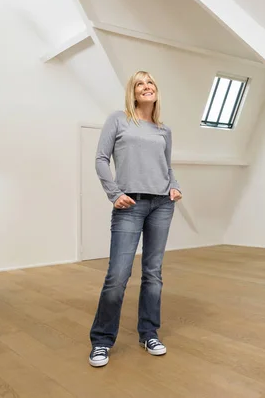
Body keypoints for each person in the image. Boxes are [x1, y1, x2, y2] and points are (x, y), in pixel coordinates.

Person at [88, 71, 182, 368]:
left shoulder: (163, 130)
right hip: (129, 204)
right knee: (117, 276)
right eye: (139, 84)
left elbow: (166, 165)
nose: (146, 87)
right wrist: (113, 193)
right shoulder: (118, 119)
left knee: (153, 273)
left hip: (162, 204)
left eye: (150, 83)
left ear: (156, 91)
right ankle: (102, 340)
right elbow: (101, 158)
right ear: (132, 92)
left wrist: (175, 185)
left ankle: (149, 332)